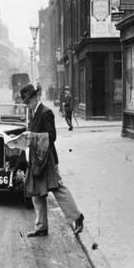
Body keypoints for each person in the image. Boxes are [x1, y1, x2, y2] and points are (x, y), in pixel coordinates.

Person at [18, 83, 84, 237]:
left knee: (58, 188)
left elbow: (52, 136)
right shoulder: (34, 112)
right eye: (26, 103)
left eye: (28, 102)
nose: (27, 105)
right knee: (36, 192)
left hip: (48, 159)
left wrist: (33, 136)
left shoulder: (46, 112)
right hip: (37, 159)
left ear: (35, 98)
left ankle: (77, 217)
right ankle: (41, 227)